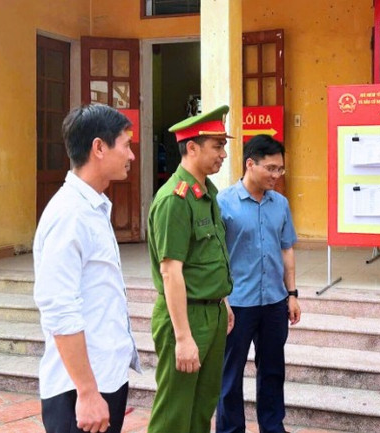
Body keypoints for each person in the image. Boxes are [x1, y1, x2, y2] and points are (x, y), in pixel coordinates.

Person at [33, 103, 140, 433]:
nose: (131, 155)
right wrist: (87, 392)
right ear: (99, 147)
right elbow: (59, 308)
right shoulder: (70, 215)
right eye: (125, 145)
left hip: (105, 376)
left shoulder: (93, 206)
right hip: (78, 390)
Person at [146, 104, 235, 433]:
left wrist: (222, 302)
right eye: (217, 146)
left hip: (212, 313)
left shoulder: (207, 194)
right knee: (175, 411)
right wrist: (183, 337)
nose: (223, 154)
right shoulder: (175, 199)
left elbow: (208, 258)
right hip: (185, 316)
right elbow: (171, 272)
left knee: (202, 406)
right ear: (193, 148)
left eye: (223, 145)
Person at [215, 134, 300, 433]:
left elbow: (286, 249)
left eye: (280, 169)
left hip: (274, 303)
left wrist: (292, 294)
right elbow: (216, 257)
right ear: (250, 164)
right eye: (271, 168)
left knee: (273, 372)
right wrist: (222, 300)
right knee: (230, 375)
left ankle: (273, 427)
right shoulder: (223, 203)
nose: (277, 175)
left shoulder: (281, 204)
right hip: (237, 304)